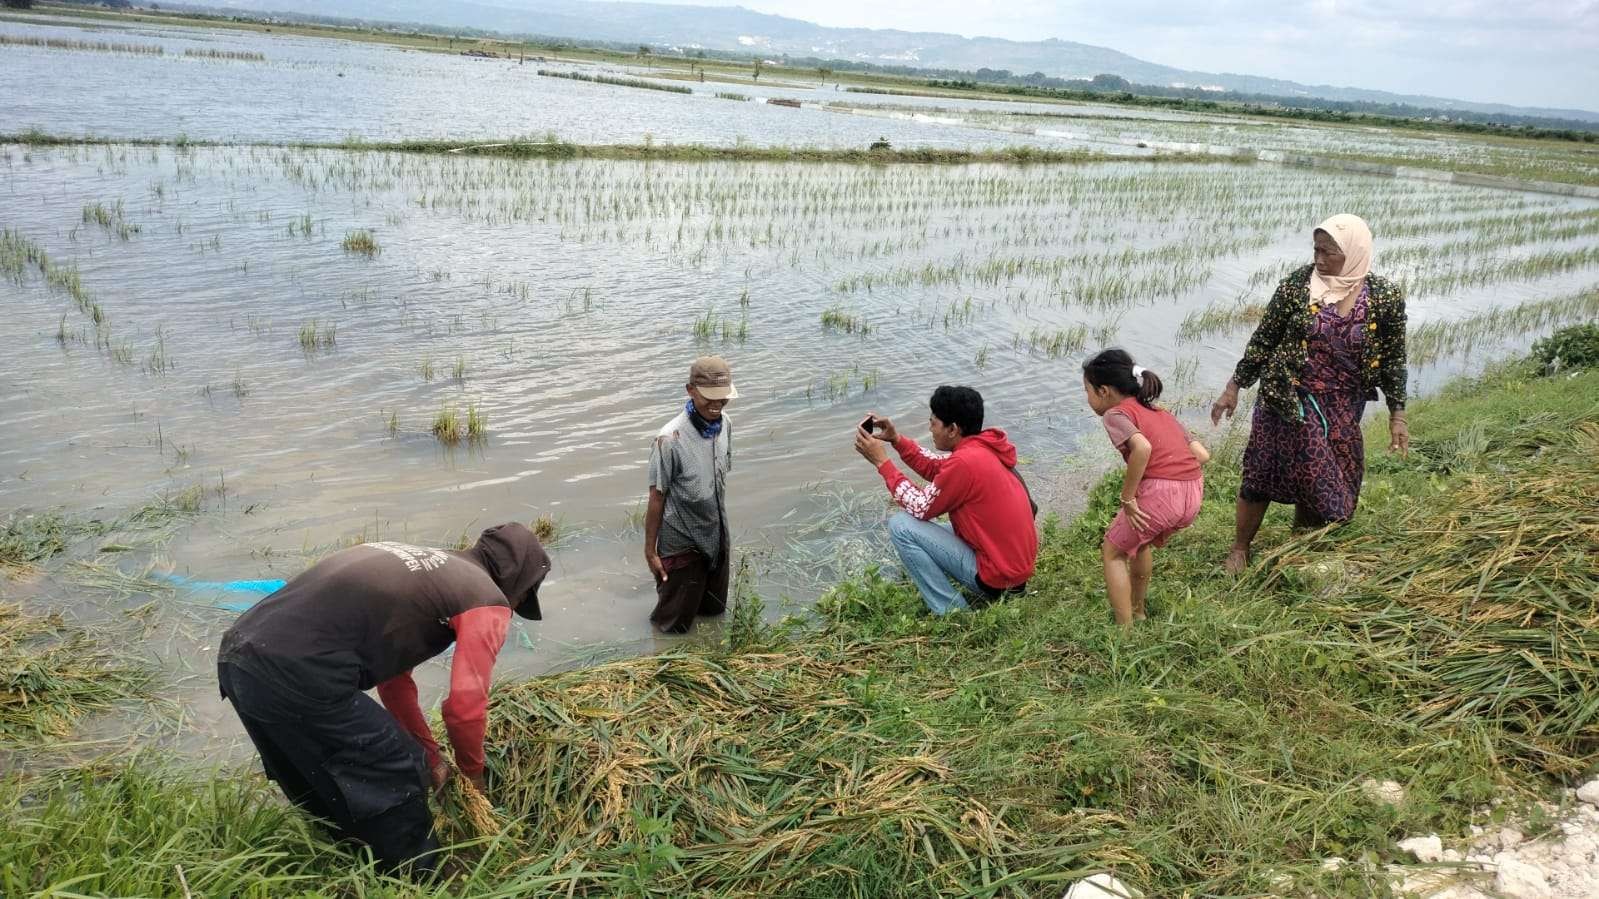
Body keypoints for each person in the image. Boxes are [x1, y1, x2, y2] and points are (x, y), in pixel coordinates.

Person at [217, 523, 551, 876]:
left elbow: (395, 683)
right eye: (521, 599)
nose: (514, 608)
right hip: (297, 669)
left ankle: (345, 861)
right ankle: (423, 878)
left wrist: (432, 755)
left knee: (313, 776)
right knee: (397, 766)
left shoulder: (431, 569)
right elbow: (465, 709)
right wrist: (472, 778)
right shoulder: (486, 599)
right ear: (518, 581)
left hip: (238, 656)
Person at [1210, 213, 1408, 574]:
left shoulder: (1384, 297)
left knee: (1317, 477)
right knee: (1260, 473)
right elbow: (1264, 339)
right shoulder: (1297, 286)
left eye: (1328, 252)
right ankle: (1240, 548)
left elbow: (1394, 358)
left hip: (1342, 406)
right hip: (1285, 398)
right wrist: (1234, 386)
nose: (1319, 259)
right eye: (1316, 250)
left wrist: (1397, 413)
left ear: (1355, 251)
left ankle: (1298, 546)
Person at [853, 385, 1038, 615]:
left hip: (998, 576)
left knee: (901, 526)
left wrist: (882, 463)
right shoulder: (982, 448)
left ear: (952, 429)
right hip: (1014, 569)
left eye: (933, 422)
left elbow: (920, 507)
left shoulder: (964, 463)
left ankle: (952, 612)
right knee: (927, 528)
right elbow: (936, 467)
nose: (929, 428)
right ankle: (1003, 592)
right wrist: (896, 440)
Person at [1082, 350, 1210, 626]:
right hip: (1193, 493)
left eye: (1087, 390)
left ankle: (1124, 632)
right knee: (1140, 543)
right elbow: (1201, 455)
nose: (1087, 397)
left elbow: (1143, 447)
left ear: (1103, 391)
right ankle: (1138, 611)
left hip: (1162, 497)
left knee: (1112, 553)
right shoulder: (1158, 411)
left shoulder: (1115, 414)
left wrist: (1128, 497)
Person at [644, 355, 736, 634]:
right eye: (710, 397)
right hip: (682, 544)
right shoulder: (669, 439)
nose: (717, 404)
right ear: (691, 390)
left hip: (716, 536)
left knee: (714, 613)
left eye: (723, 398)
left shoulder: (726, 424)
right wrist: (650, 551)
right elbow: (656, 498)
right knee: (672, 626)